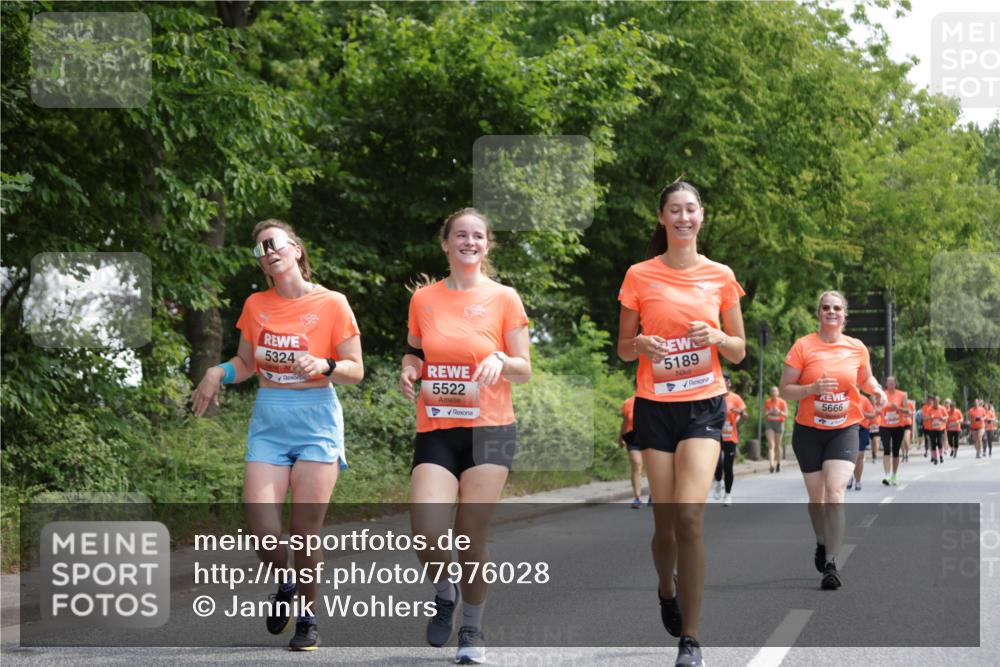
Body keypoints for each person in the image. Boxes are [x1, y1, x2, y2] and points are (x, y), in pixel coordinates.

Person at [192, 219, 364, 651]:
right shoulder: (256, 305)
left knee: (305, 533)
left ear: (296, 249)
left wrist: (325, 365)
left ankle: (308, 616)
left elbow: (355, 370)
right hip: (270, 423)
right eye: (259, 249)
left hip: (317, 422)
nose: (267, 252)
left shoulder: (333, 303)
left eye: (273, 244)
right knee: (263, 532)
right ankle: (286, 583)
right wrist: (217, 371)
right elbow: (247, 364)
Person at [617, 180, 746, 667]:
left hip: (704, 406)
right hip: (655, 407)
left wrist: (717, 336)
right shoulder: (639, 275)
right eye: (675, 210)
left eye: (691, 209)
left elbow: (739, 349)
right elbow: (623, 348)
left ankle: (690, 639)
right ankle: (665, 587)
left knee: (690, 518)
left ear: (701, 215)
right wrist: (640, 345)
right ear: (662, 217)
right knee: (666, 527)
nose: (684, 217)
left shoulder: (720, 275)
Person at [399, 207, 531, 665]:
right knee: (426, 530)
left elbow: (524, 368)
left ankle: (472, 628)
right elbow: (414, 352)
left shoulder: (504, 297)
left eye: (477, 236)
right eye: (460, 235)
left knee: (469, 535)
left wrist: (501, 359)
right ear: (446, 242)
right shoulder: (424, 299)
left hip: (491, 429)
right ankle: (445, 591)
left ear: (487, 244)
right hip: (437, 428)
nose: (469, 242)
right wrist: (409, 370)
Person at [779, 291, 886, 590]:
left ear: (844, 314)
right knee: (817, 500)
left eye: (837, 308)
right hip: (809, 431)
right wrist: (811, 389)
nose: (831, 311)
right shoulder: (803, 346)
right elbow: (785, 389)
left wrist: (877, 389)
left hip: (845, 428)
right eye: (826, 307)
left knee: (835, 492)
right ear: (819, 313)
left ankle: (831, 563)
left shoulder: (856, 347)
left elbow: (865, 379)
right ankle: (821, 540)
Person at [713, 374, 747, 506]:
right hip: (716, 435)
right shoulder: (715, 397)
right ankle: (718, 482)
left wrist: (740, 412)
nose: (723, 382)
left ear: (729, 383)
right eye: (721, 379)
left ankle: (727, 495)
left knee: (728, 466)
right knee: (717, 462)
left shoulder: (735, 398)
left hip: (730, 436)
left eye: (725, 380)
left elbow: (745, 416)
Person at [878, 376, 910, 486]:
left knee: (896, 452)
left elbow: (907, 410)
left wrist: (898, 408)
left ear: (896, 383)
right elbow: (877, 407)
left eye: (893, 382)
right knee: (887, 449)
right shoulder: (882, 394)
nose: (891, 384)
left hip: (898, 426)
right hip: (884, 425)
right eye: (889, 382)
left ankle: (894, 475)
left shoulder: (902, 395)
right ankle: (887, 475)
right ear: (886, 384)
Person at [620, 395, 649, 508]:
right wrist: (621, 438)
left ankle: (653, 495)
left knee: (651, 467)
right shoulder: (628, 402)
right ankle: (637, 497)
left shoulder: (653, 400)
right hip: (633, 437)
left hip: (650, 436)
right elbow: (625, 422)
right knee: (637, 464)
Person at [848, 394, 877, 491]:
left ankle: (858, 481)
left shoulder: (864, 399)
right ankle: (850, 477)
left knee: (859, 455)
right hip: (849, 428)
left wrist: (862, 413)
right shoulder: (845, 397)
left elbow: (872, 415)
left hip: (862, 428)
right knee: (849, 455)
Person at [764, 386, 788, 473]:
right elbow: (765, 414)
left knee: (778, 445)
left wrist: (779, 411)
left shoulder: (782, 402)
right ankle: (771, 465)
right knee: (771, 445)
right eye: (772, 391)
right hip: (770, 423)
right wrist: (770, 411)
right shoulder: (767, 402)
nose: (773, 393)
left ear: (778, 392)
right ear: (770, 393)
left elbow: (786, 415)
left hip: (779, 423)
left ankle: (778, 463)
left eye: (775, 391)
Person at [921, 395, 947, 464]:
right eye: (935, 402)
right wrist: (930, 417)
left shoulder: (942, 408)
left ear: (939, 401)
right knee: (933, 443)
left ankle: (941, 456)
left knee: (939, 442)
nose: (936, 403)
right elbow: (924, 418)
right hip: (931, 428)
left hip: (940, 428)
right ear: (933, 402)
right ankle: (935, 458)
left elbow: (946, 416)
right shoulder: (929, 409)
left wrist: (943, 418)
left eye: (937, 402)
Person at [901, 397, 916, 462]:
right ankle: (903, 455)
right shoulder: (899, 405)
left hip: (908, 424)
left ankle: (907, 453)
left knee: (906, 439)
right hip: (900, 424)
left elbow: (913, 413)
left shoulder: (910, 405)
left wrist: (910, 412)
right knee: (901, 441)